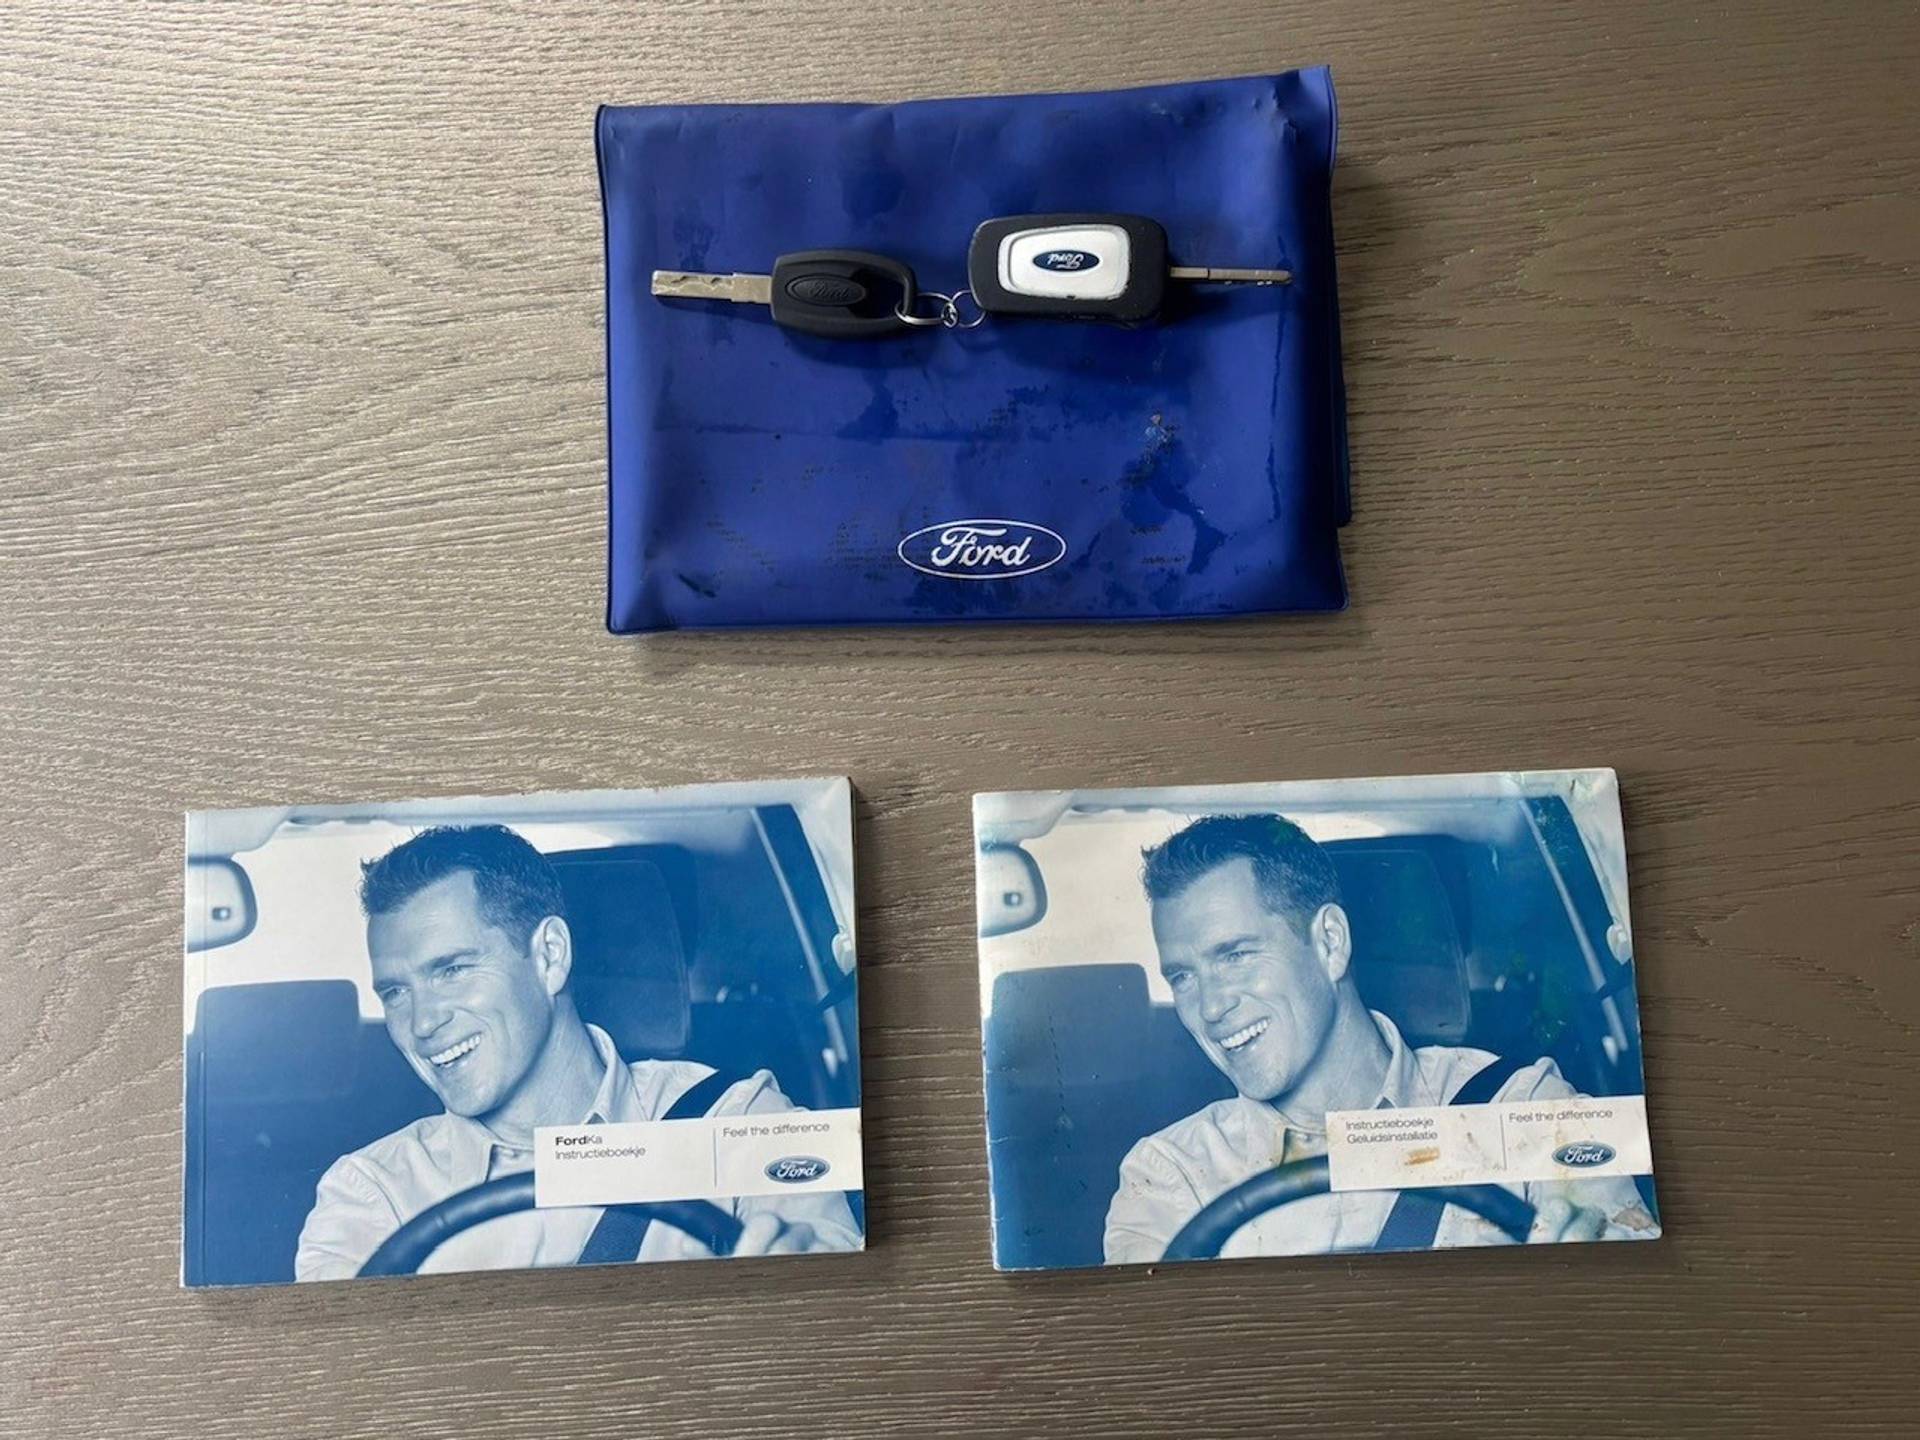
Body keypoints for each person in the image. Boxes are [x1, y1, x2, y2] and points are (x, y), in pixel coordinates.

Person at [295, 824, 859, 1280]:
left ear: (549, 956)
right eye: (396, 993)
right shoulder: (372, 1193)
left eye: (453, 970)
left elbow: (838, 1297)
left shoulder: (735, 1120)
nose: (421, 1023)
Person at [1103, 813, 1660, 1263]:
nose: (1210, 1007)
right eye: (1183, 977)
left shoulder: (1522, 1107)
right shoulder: (1171, 1175)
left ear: (1330, 943)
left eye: (1236, 956)